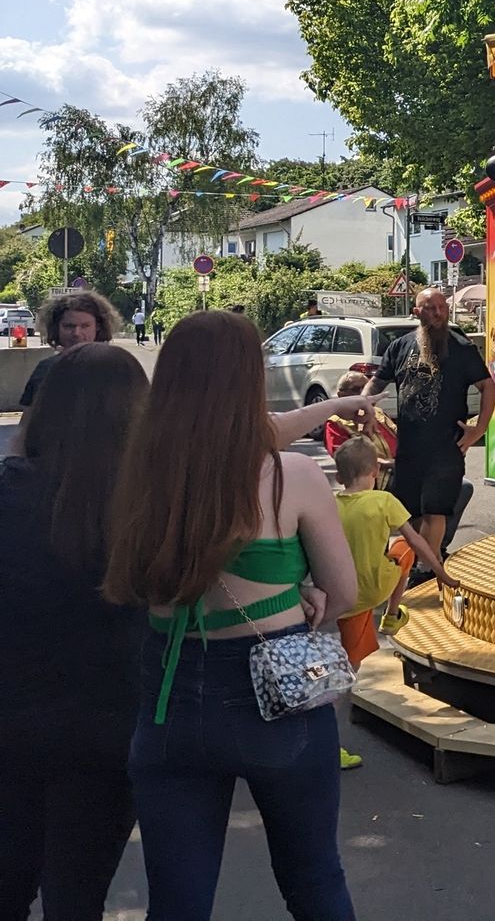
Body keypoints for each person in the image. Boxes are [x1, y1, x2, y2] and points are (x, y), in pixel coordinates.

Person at [103, 310, 373, 921]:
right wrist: (299, 593)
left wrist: (332, 407)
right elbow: (344, 592)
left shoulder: (138, 476)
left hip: (169, 696)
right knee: (314, 881)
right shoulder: (292, 476)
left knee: (178, 902)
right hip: (277, 694)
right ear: (250, 381)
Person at [0, 344, 149, 920]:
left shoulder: (9, 491)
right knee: (77, 897)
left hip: (10, 721)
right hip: (108, 728)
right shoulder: (149, 507)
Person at [330, 436, 450, 771]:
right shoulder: (384, 500)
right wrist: (441, 572)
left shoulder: (330, 504)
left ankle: (326, 738)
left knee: (343, 661)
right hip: (370, 592)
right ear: (374, 472)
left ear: (339, 476)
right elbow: (418, 541)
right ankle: (393, 614)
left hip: (338, 592)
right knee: (346, 672)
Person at [364, 288, 495, 569]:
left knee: (435, 510)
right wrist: (365, 406)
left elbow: (488, 386)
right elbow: (376, 382)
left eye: (441, 307)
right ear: (417, 312)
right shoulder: (400, 347)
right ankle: (420, 563)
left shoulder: (461, 347)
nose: (438, 313)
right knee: (411, 513)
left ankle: (426, 568)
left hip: (446, 447)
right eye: (430, 308)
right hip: (409, 447)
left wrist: (479, 429)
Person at [19, 288, 121, 411]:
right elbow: (29, 418)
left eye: (85, 326)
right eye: (69, 326)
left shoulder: (115, 369)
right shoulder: (45, 369)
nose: (76, 333)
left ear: (98, 327)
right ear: (56, 328)